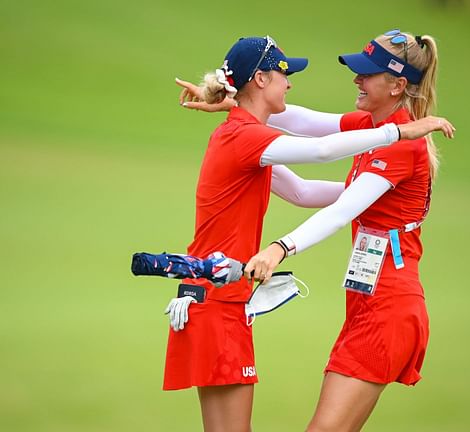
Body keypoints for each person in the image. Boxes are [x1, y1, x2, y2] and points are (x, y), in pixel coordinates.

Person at [165, 34, 454, 432]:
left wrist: (280, 248)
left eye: (366, 74)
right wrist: (232, 98)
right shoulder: (375, 128)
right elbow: (309, 138)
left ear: (397, 85)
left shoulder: (395, 142)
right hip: (358, 305)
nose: (356, 79)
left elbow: (339, 207)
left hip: (388, 306)